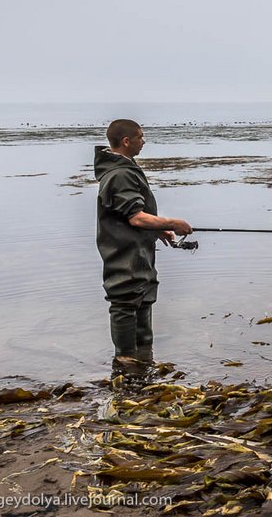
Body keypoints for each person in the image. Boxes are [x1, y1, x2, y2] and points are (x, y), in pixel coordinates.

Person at [95, 119, 192, 367]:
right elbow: (136, 217)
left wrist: (159, 231)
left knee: (143, 297)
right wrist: (171, 223)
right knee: (125, 302)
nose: (143, 140)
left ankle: (145, 362)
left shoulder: (126, 167)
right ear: (126, 141)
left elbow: (136, 213)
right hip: (123, 254)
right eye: (140, 136)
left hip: (138, 253)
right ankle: (126, 366)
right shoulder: (119, 174)